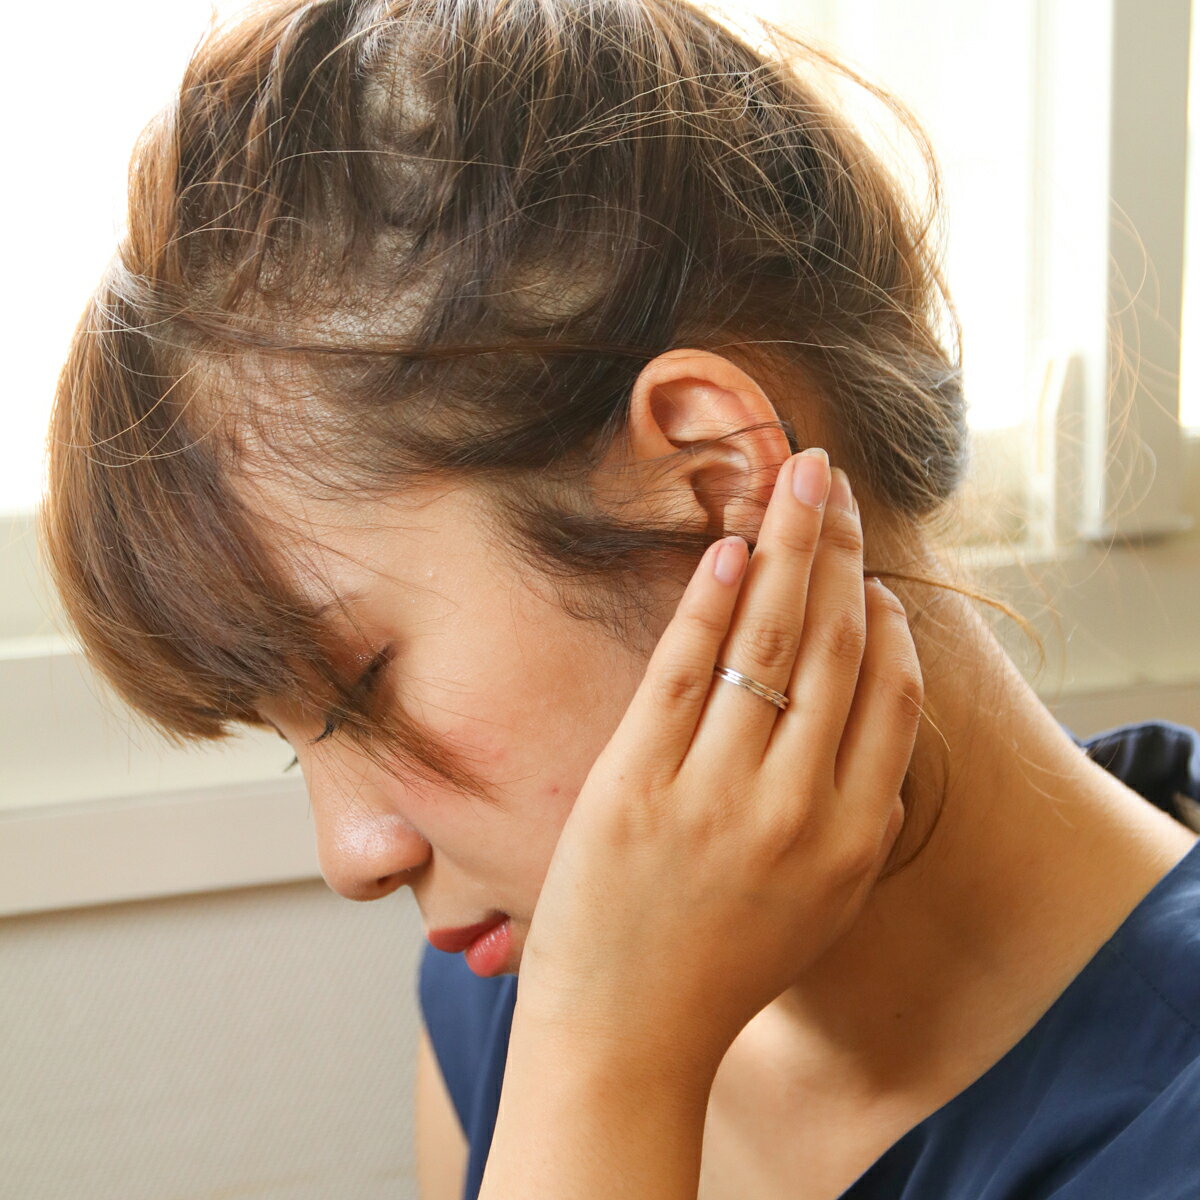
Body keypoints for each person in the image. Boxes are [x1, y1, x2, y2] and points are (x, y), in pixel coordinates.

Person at [40, 1, 1200, 1197]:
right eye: (298, 748)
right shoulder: (528, 990)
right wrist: (596, 1057)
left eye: (361, 691)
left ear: (713, 482)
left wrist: (603, 1063)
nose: (352, 858)